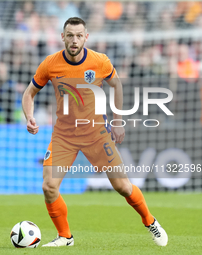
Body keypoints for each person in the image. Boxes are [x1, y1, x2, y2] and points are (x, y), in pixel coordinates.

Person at [22, 17, 168, 247]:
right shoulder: (50, 64)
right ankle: (65, 237)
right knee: (49, 187)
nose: (74, 40)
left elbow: (117, 85)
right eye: (70, 35)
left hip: (96, 135)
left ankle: (150, 222)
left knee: (123, 187)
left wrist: (118, 122)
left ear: (86, 37)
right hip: (64, 136)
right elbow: (29, 93)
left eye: (79, 35)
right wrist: (29, 116)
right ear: (63, 37)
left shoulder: (99, 61)